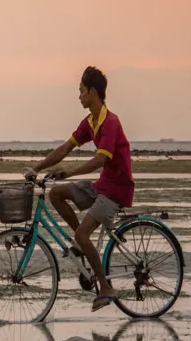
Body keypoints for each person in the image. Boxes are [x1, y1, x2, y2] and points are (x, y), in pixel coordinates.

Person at [25, 66, 134, 311]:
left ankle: (106, 287)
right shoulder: (90, 122)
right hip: (102, 185)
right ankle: (81, 245)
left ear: (92, 92)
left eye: (81, 91)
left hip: (116, 190)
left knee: (83, 234)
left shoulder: (110, 123)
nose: (79, 96)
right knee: (56, 193)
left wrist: (69, 172)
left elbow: (99, 161)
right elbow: (65, 148)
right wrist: (37, 168)